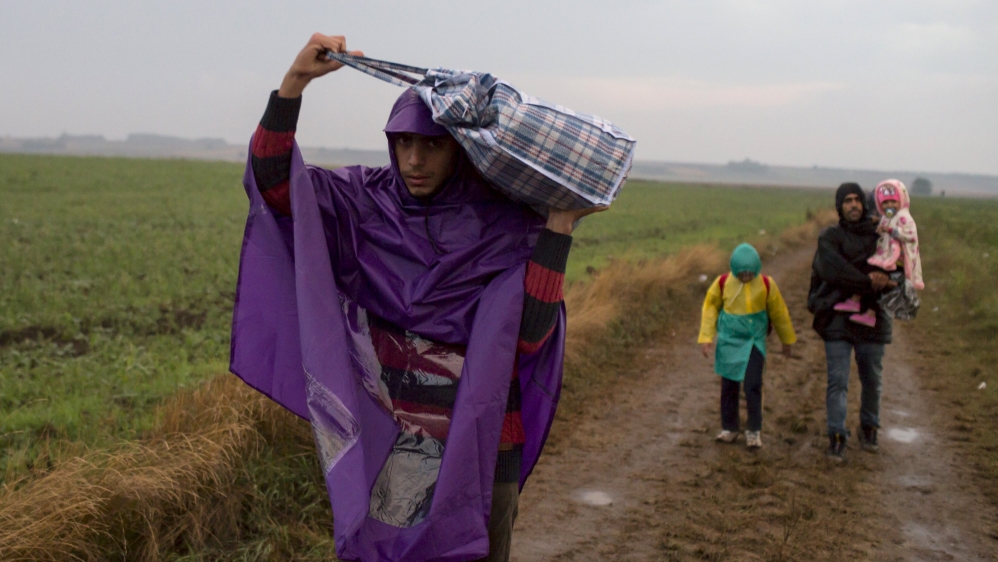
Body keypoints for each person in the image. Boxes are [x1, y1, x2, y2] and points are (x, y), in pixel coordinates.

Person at [230, 34, 604, 561]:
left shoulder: (504, 222)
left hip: (482, 447)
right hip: (392, 442)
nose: (414, 159)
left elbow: (529, 336)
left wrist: (561, 224)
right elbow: (275, 188)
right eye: (403, 142)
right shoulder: (363, 204)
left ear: (459, 147)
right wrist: (295, 82)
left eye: (431, 144)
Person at [807, 183, 897, 462]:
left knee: (872, 380)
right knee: (838, 380)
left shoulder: (882, 235)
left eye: (858, 199)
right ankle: (836, 435)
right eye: (848, 200)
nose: (854, 204)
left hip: (873, 319)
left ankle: (869, 427)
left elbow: (899, 266)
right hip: (837, 318)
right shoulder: (830, 237)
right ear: (839, 206)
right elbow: (834, 270)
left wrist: (889, 281)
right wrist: (871, 281)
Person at [698, 243, 797, 450]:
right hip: (728, 343)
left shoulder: (767, 284)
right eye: (742, 274)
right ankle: (730, 428)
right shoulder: (722, 283)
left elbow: (779, 313)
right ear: (734, 270)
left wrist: (786, 340)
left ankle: (753, 430)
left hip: (754, 342)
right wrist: (706, 337)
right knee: (728, 386)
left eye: (750, 273)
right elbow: (710, 307)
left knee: (753, 385)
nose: (746, 277)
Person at [835, 179, 923, 326]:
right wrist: (879, 222)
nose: (889, 206)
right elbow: (885, 225)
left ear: (901, 200)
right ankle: (859, 304)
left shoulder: (905, 218)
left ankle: (866, 310)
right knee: (871, 275)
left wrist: (890, 230)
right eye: (885, 203)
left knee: (875, 280)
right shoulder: (890, 217)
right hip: (887, 257)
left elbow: (910, 235)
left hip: (897, 261)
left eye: (893, 202)